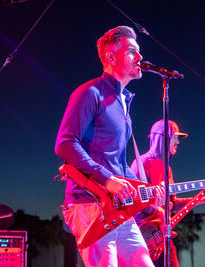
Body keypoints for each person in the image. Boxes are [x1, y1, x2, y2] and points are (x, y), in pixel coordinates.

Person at [55, 26, 164, 267]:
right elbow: (65, 144)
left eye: (139, 52)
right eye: (132, 51)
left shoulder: (123, 104)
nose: (140, 57)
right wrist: (106, 179)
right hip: (88, 204)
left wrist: (146, 194)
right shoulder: (89, 93)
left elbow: (119, 164)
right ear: (111, 57)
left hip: (117, 209)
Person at [131, 120, 205, 267]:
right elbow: (135, 203)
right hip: (145, 236)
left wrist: (197, 200)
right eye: (175, 137)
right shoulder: (142, 163)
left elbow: (172, 204)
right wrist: (160, 213)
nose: (178, 141)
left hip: (163, 235)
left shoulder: (167, 168)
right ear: (162, 138)